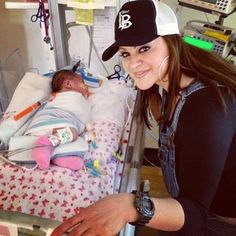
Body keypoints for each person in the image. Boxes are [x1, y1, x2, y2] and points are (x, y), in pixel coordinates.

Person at [51, 0, 236, 235]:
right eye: (125, 53)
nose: (133, 64)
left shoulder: (207, 106)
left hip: (218, 223)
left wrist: (129, 205)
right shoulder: (166, 87)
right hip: (192, 207)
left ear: (172, 41)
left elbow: (194, 216)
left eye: (144, 48)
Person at [24, 69, 91, 170]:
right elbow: (82, 112)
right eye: (83, 84)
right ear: (68, 84)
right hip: (51, 119)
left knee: (72, 140)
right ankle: (45, 143)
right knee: (72, 133)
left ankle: (58, 156)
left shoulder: (54, 98)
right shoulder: (71, 97)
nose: (86, 87)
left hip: (43, 127)